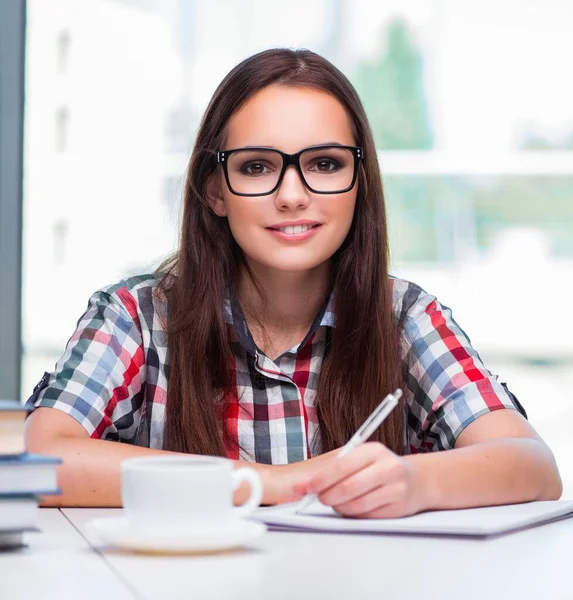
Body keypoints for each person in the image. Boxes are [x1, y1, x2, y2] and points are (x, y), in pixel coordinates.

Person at [25, 48, 562, 517]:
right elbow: (46, 459)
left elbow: (533, 465)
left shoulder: (406, 317)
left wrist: (414, 483)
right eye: (257, 167)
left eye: (324, 164)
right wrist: (277, 483)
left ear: (359, 184)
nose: (291, 195)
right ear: (216, 191)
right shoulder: (135, 317)